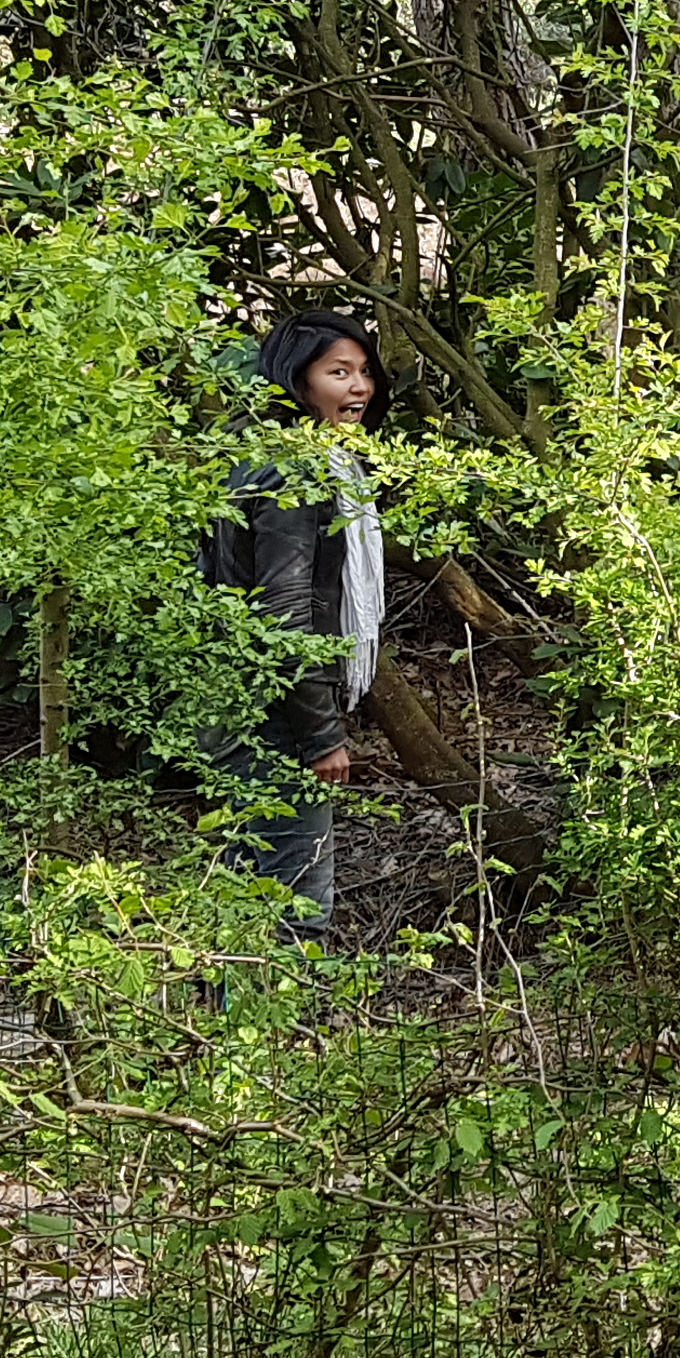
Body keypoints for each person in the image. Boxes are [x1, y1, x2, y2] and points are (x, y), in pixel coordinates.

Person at [201, 312, 387, 930]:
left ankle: (242, 1020)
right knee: (295, 892)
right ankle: (287, 1025)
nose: (359, 387)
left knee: (245, 886)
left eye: (363, 372)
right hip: (272, 714)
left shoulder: (254, 455)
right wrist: (321, 736)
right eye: (338, 373)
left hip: (233, 699)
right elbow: (284, 614)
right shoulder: (297, 475)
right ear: (296, 381)